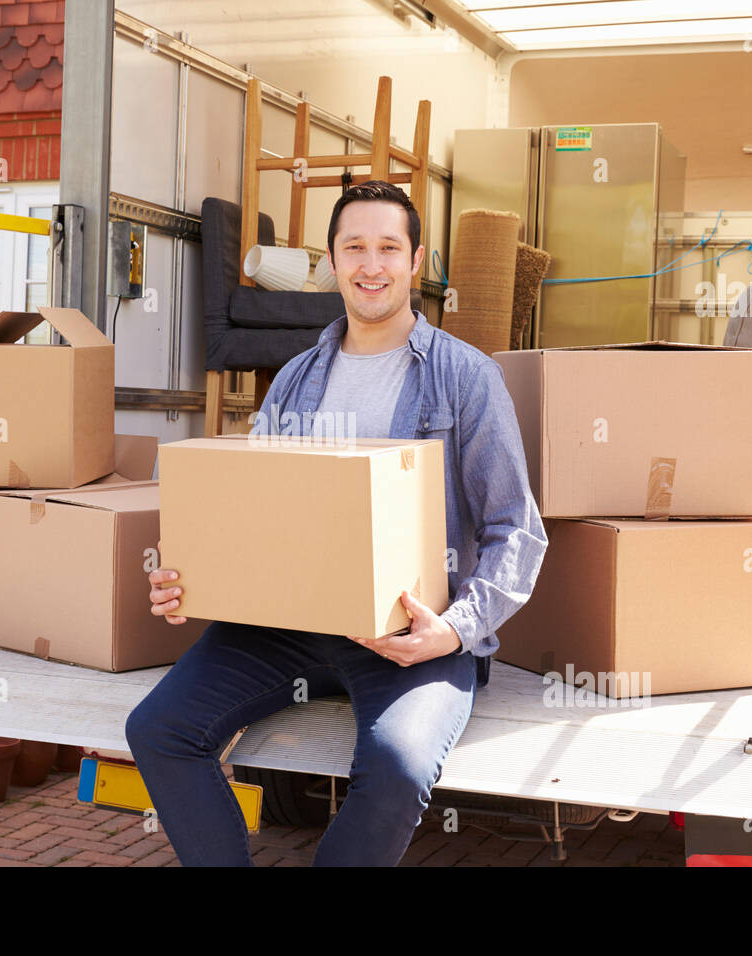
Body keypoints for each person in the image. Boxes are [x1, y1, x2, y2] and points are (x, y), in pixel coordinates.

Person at [125, 179, 547, 866]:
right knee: (160, 730)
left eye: (388, 248)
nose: (371, 265)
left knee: (400, 768)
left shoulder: (466, 378)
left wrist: (455, 630)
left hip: (409, 634)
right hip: (283, 630)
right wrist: (194, 581)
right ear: (331, 261)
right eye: (354, 247)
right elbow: (251, 513)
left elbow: (516, 531)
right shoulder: (294, 379)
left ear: (416, 262)